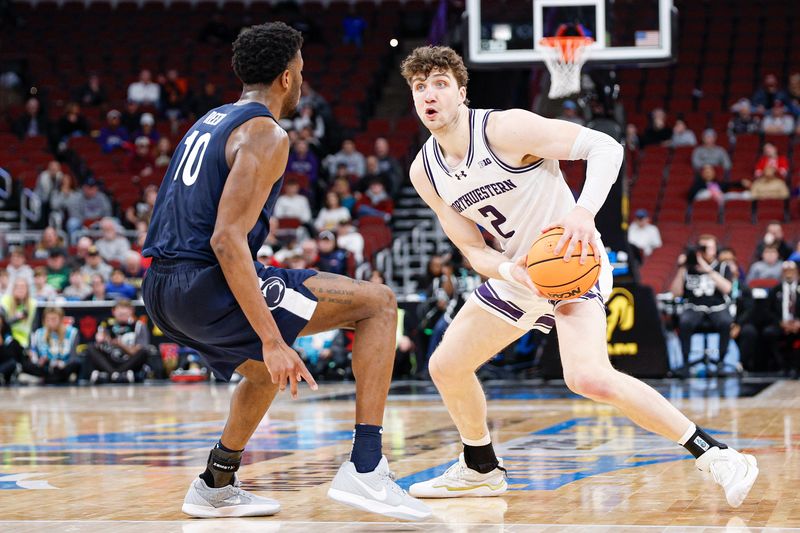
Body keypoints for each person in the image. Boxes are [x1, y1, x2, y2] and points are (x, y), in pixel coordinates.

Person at [400, 45, 757, 507]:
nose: (429, 94)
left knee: (588, 377)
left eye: (440, 84)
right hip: (520, 274)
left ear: (462, 92)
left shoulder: (504, 129)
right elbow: (471, 249)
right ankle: (480, 468)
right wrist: (510, 270)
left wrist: (584, 212)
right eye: (420, 87)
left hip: (571, 262)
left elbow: (605, 146)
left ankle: (718, 455)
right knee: (446, 365)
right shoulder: (425, 171)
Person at [141, 23, 429, 520]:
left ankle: (216, 482)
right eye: (301, 69)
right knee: (379, 304)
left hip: (159, 287)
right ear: (286, 78)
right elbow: (226, 239)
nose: (302, 78)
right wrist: (274, 339)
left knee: (262, 373)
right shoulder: (265, 132)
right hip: (203, 283)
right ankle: (366, 467)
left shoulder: (209, 120)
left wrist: (268, 347)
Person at [85, 299, 152, 384]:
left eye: (124, 313)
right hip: (110, 361)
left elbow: (138, 350)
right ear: (113, 312)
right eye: (120, 313)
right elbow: (99, 348)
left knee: (143, 352)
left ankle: (111, 375)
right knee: (91, 347)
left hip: (128, 361)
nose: (122, 314)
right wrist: (101, 341)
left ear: (131, 311)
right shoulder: (106, 326)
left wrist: (121, 345)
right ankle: (116, 374)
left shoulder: (139, 326)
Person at [23, 307, 80, 384]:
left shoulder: (72, 332)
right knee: (26, 363)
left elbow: (73, 357)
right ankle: (52, 378)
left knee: (76, 364)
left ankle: (43, 379)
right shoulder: (39, 333)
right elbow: (34, 355)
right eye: (48, 319)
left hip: (63, 366)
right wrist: (38, 360)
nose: (50, 322)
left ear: (61, 319)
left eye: (54, 319)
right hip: (46, 367)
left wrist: (62, 363)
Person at [763, 261, 800, 376]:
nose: (789, 274)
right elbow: (768, 311)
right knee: (769, 333)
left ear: (797, 273)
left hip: (798, 324)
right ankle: (781, 366)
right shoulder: (775, 290)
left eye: (791, 271)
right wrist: (780, 323)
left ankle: (796, 366)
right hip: (780, 324)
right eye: (786, 271)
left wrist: (798, 323)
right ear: (782, 273)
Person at [1, 278, 36, 348]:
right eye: (18, 287)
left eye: (23, 287)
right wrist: (16, 318)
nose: (20, 290)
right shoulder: (6, 300)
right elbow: (2, 323)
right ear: (13, 289)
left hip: (23, 339)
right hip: (7, 336)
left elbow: (33, 325)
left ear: (27, 290)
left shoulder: (32, 303)